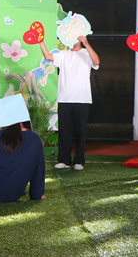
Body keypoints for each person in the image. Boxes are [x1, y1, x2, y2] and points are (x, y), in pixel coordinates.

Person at [39, 35, 99, 170]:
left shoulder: (86, 53)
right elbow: (48, 57)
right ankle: (64, 160)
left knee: (80, 132)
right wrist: (41, 41)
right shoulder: (63, 54)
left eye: (76, 37)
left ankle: (79, 161)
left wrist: (86, 43)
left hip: (82, 99)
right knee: (64, 131)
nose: (73, 39)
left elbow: (96, 61)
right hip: (64, 98)